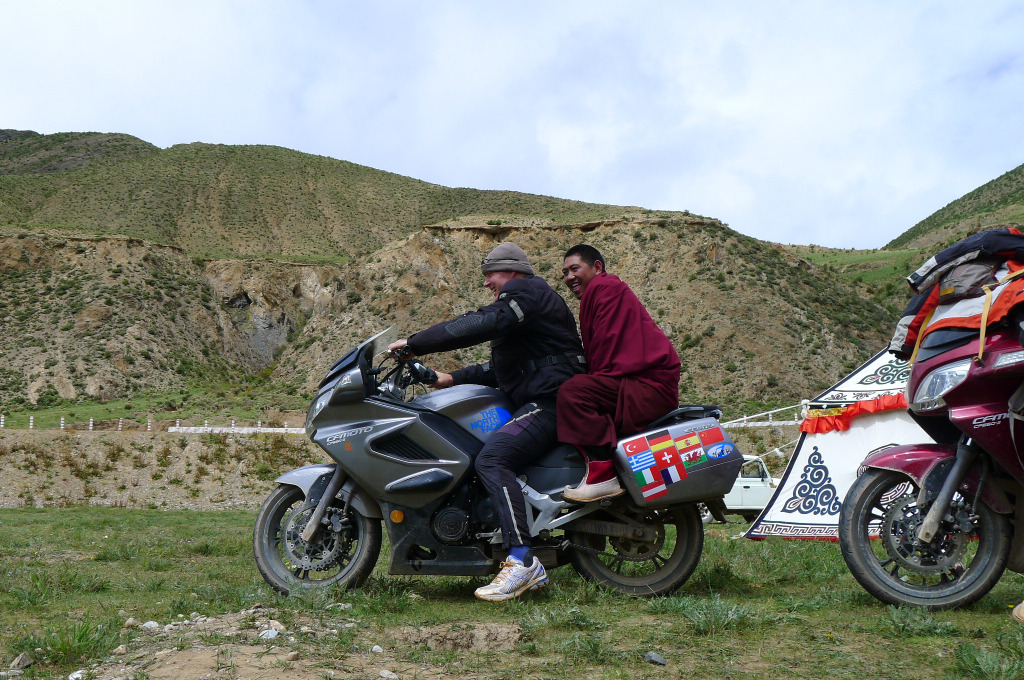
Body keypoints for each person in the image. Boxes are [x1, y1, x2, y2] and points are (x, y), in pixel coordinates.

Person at [387, 242, 585, 601]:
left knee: (493, 459)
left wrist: (416, 343)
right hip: (546, 395)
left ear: (510, 271)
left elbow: (481, 322)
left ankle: (523, 559)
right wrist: (449, 378)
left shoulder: (525, 290)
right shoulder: (526, 305)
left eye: (489, 275)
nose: (486, 284)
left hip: (553, 401)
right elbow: (505, 369)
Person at [557, 244, 681, 502]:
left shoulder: (607, 288)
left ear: (597, 267)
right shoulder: (597, 294)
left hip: (648, 384)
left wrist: (590, 381)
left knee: (574, 393)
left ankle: (602, 476)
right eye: (564, 273)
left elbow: (608, 346)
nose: (569, 277)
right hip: (634, 380)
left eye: (574, 269)